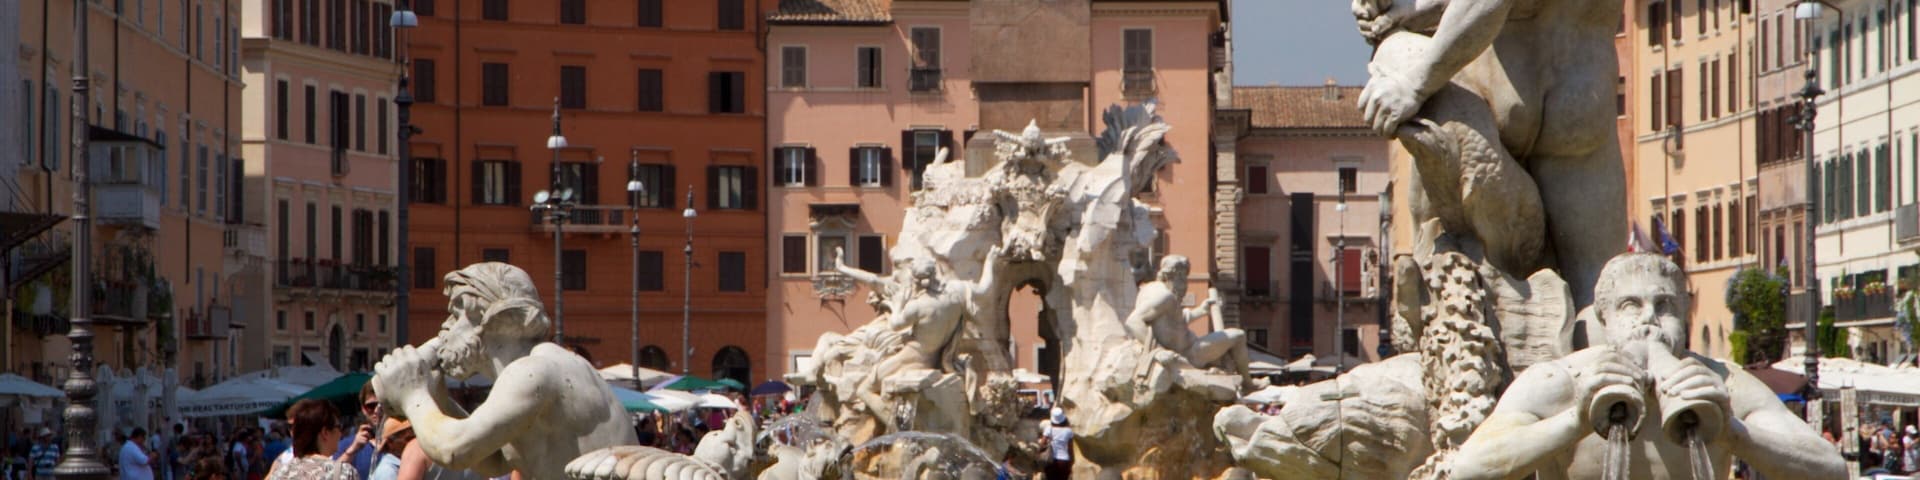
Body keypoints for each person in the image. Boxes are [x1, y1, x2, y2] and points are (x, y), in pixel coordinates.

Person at [1447, 254, 1846, 479]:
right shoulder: (1560, 381)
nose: (1649, 320)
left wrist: (1733, 432)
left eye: (1665, 306)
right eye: (1630, 306)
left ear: (1685, 317)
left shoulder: (1721, 382)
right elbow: (1466, 472)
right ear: (1605, 319)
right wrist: (1574, 422)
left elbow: (1830, 471)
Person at [372, 263, 636, 479]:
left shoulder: (532, 372)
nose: (445, 328)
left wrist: (412, 394)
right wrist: (437, 396)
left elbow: (453, 450)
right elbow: (492, 462)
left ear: (489, 318)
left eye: (454, 315)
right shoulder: (552, 366)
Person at [266, 400, 359, 480]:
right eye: (338, 427)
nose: (340, 433)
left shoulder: (280, 472)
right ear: (325, 433)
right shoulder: (344, 473)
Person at [337, 384, 381, 480]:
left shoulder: (402, 442)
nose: (377, 411)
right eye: (371, 406)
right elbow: (332, 475)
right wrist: (353, 449)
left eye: (381, 405)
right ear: (363, 409)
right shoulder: (347, 445)